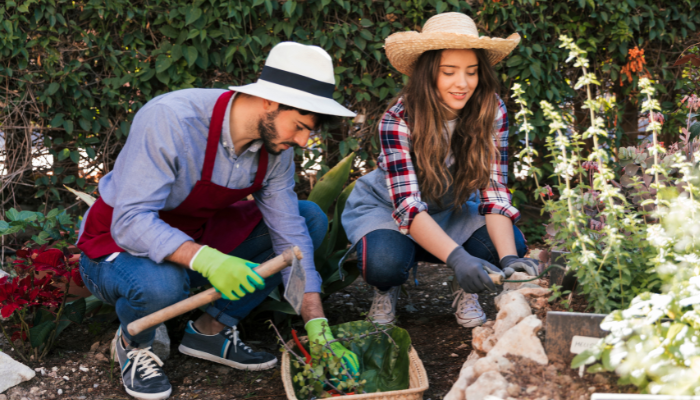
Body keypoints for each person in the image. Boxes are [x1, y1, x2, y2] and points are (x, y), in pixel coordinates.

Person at [76, 42, 360, 400]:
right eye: (300, 126)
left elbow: (291, 237)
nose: (303, 141)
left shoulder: (274, 149)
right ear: (270, 102)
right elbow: (130, 221)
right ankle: (135, 344)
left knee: (310, 219)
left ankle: (210, 331)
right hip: (115, 247)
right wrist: (209, 260)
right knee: (162, 286)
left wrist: (317, 324)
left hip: (193, 236)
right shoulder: (172, 120)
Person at [341, 13, 539, 329]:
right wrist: (458, 258)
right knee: (383, 264)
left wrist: (508, 261)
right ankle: (387, 288)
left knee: (508, 243)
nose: (462, 83)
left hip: (451, 209)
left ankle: (465, 284)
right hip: (389, 210)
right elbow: (407, 206)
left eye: (471, 72)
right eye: (449, 72)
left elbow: (494, 191)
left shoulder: (491, 109)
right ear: (428, 74)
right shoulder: (398, 119)